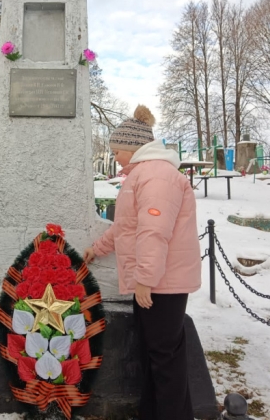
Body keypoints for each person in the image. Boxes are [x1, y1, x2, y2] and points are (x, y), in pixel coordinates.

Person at [83, 105, 201, 420]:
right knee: (157, 357)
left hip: (162, 283)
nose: (115, 157)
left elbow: (154, 232)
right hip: (156, 281)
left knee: (164, 359)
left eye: (117, 150)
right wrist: (98, 248)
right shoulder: (144, 175)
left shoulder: (157, 177)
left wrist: (145, 279)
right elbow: (127, 227)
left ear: (134, 148)